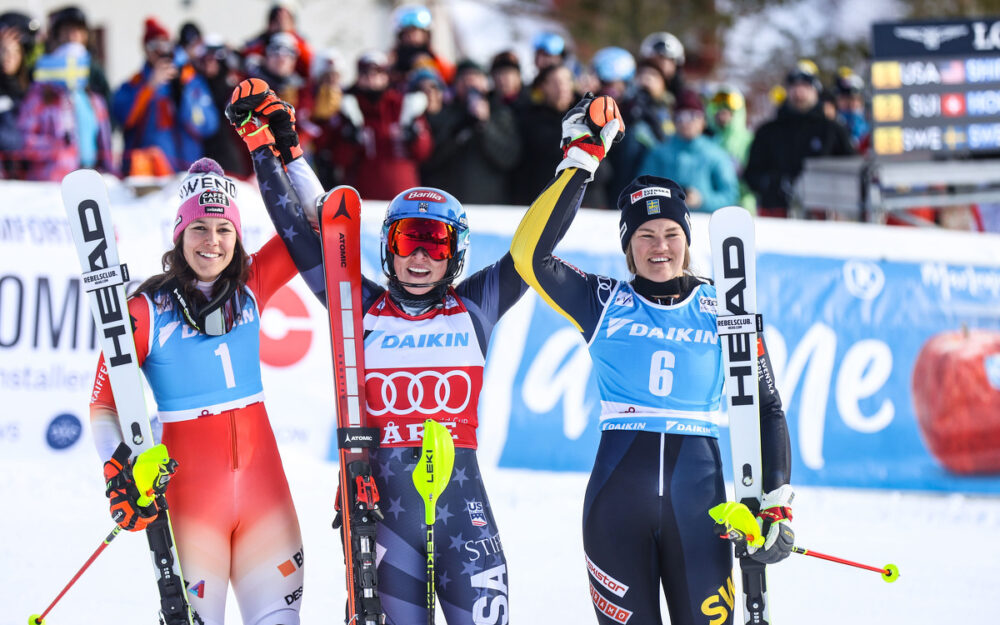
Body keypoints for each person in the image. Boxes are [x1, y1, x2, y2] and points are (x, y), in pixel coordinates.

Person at [222, 77, 558, 625]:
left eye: (435, 243)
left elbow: (535, 248)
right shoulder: (359, 306)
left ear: (456, 255)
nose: (420, 258)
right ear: (388, 249)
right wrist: (266, 149)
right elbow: (307, 232)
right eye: (407, 241)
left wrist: (581, 162)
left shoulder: (475, 305)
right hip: (386, 523)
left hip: (463, 523)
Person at [509, 95, 794, 625]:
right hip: (617, 506)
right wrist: (580, 162)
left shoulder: (726, 305)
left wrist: (776, 501)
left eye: (671, 234)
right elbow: (529, 255)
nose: (659, 246)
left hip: (701, 505)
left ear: (687, 240)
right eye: (644, 235)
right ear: (627, 244)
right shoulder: (602, 300)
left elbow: (767, 408)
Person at [89, 157, 306, 625]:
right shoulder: (145, 310)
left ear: (238, 236)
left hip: (265, 501)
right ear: (179, 234)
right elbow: (104, 404)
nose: (213, 242)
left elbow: (315, 223)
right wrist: (117, 470)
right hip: (190, 508)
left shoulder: (253, 285)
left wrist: (279, 152)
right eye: (200, 228)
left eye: (224, 229)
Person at [743, 60, 854, 217]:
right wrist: (774, 184)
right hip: (777, 213)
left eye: (805, 87)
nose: (799, 93)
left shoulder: (833, 130)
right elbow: (751, 174)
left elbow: (851, 171)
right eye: (794, 87)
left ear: (816, 91)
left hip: (824, 215)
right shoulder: (768, 131)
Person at [112, 17, 219, 175]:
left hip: (187, 171)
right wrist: (149, 87)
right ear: (145, 49)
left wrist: (184, 94)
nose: (161, 50)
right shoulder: (134, 84)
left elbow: (208, 126)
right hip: (147, 174)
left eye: (165, 44)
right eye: (154, 45)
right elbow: (123, 117)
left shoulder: (190, 81)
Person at [420, 58, 521, 204]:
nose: (470, 85)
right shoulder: (444, 115)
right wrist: (461, 128)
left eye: (476, 79)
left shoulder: (501, 114)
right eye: (464, 80)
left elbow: (509, 158)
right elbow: (432, 159)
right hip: (451, 204)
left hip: (492, 205)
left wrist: (485, 125)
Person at [17, 31, 114, 180]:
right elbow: (23, 141)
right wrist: (55, 146)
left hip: (89, 177)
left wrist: (110, 173)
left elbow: (105, 144)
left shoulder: (94, 101)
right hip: (49, 181)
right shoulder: (38, 99)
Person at [639, 90, 739, 212]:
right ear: (673, 121)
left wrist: (703, 200)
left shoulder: (716, 155)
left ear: (703, 121)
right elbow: (643, 191)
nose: (686, 123)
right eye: (681, 117)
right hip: (666, 225)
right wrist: (665, 202)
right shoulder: (658, 153)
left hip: (705, 225)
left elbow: (730, 195)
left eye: (693, 116)